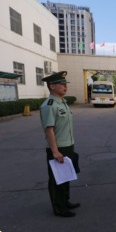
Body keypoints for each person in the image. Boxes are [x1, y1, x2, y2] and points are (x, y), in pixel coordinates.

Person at [40, 71, 80, 218]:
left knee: (66, 176)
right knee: (57, 179)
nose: (65, 86)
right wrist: (55, 151)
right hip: (58, 147)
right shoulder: (49, 105)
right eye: (61, 84)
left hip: (68, 145)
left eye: (65, 84)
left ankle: (65, 201)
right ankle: (59, 208)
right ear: (52, 86)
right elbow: (49, 130)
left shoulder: (62, 102)